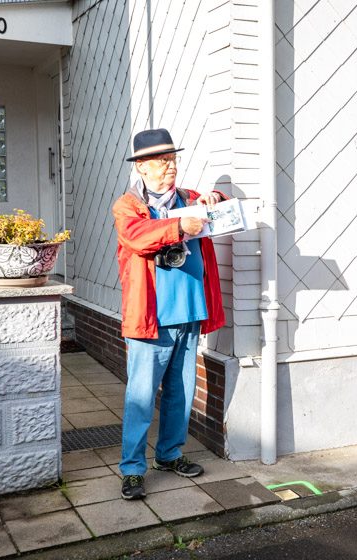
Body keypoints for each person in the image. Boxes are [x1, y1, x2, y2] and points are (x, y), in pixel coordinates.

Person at [112, 128, 226, 500]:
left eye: (173, 161)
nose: (169, 168)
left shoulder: (190, 198)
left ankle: (170, 454)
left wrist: (216, 197)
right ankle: (132, 469)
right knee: (141, 396)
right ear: (142, 168)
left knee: (181, 392)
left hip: (190, 312)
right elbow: (136, 236)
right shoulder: (127, 206)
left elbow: (221, 205)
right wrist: (179, 226)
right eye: (161, 163)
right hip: (152, 318)